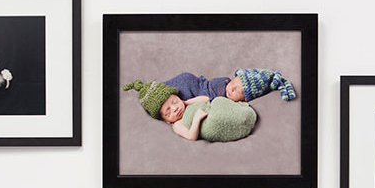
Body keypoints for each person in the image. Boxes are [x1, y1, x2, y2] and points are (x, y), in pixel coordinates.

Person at [122, 79, 256, 142]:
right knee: (215, 120)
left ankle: (241, 112)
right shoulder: (177, 125)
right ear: (165, 120)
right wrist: (196, 119)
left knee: (218, 101)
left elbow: (206, 99)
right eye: (168, 112)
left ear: (177, 97)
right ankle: (239, 122)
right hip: (210, 123)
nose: (175, 109)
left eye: (174, 102)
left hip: (215, 109)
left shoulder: (187, 104)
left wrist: (187, 102)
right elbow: (191, 136)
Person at [162, 68, 296, 103]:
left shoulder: (232, 103)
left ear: (245, 99)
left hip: (193, 97)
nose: (231, 88)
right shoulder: (223, 83)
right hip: (192, 85)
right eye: (233, 82)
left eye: (237, 91)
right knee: (177, 86)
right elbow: (208, 97)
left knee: (170, 102)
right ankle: (157, 89)